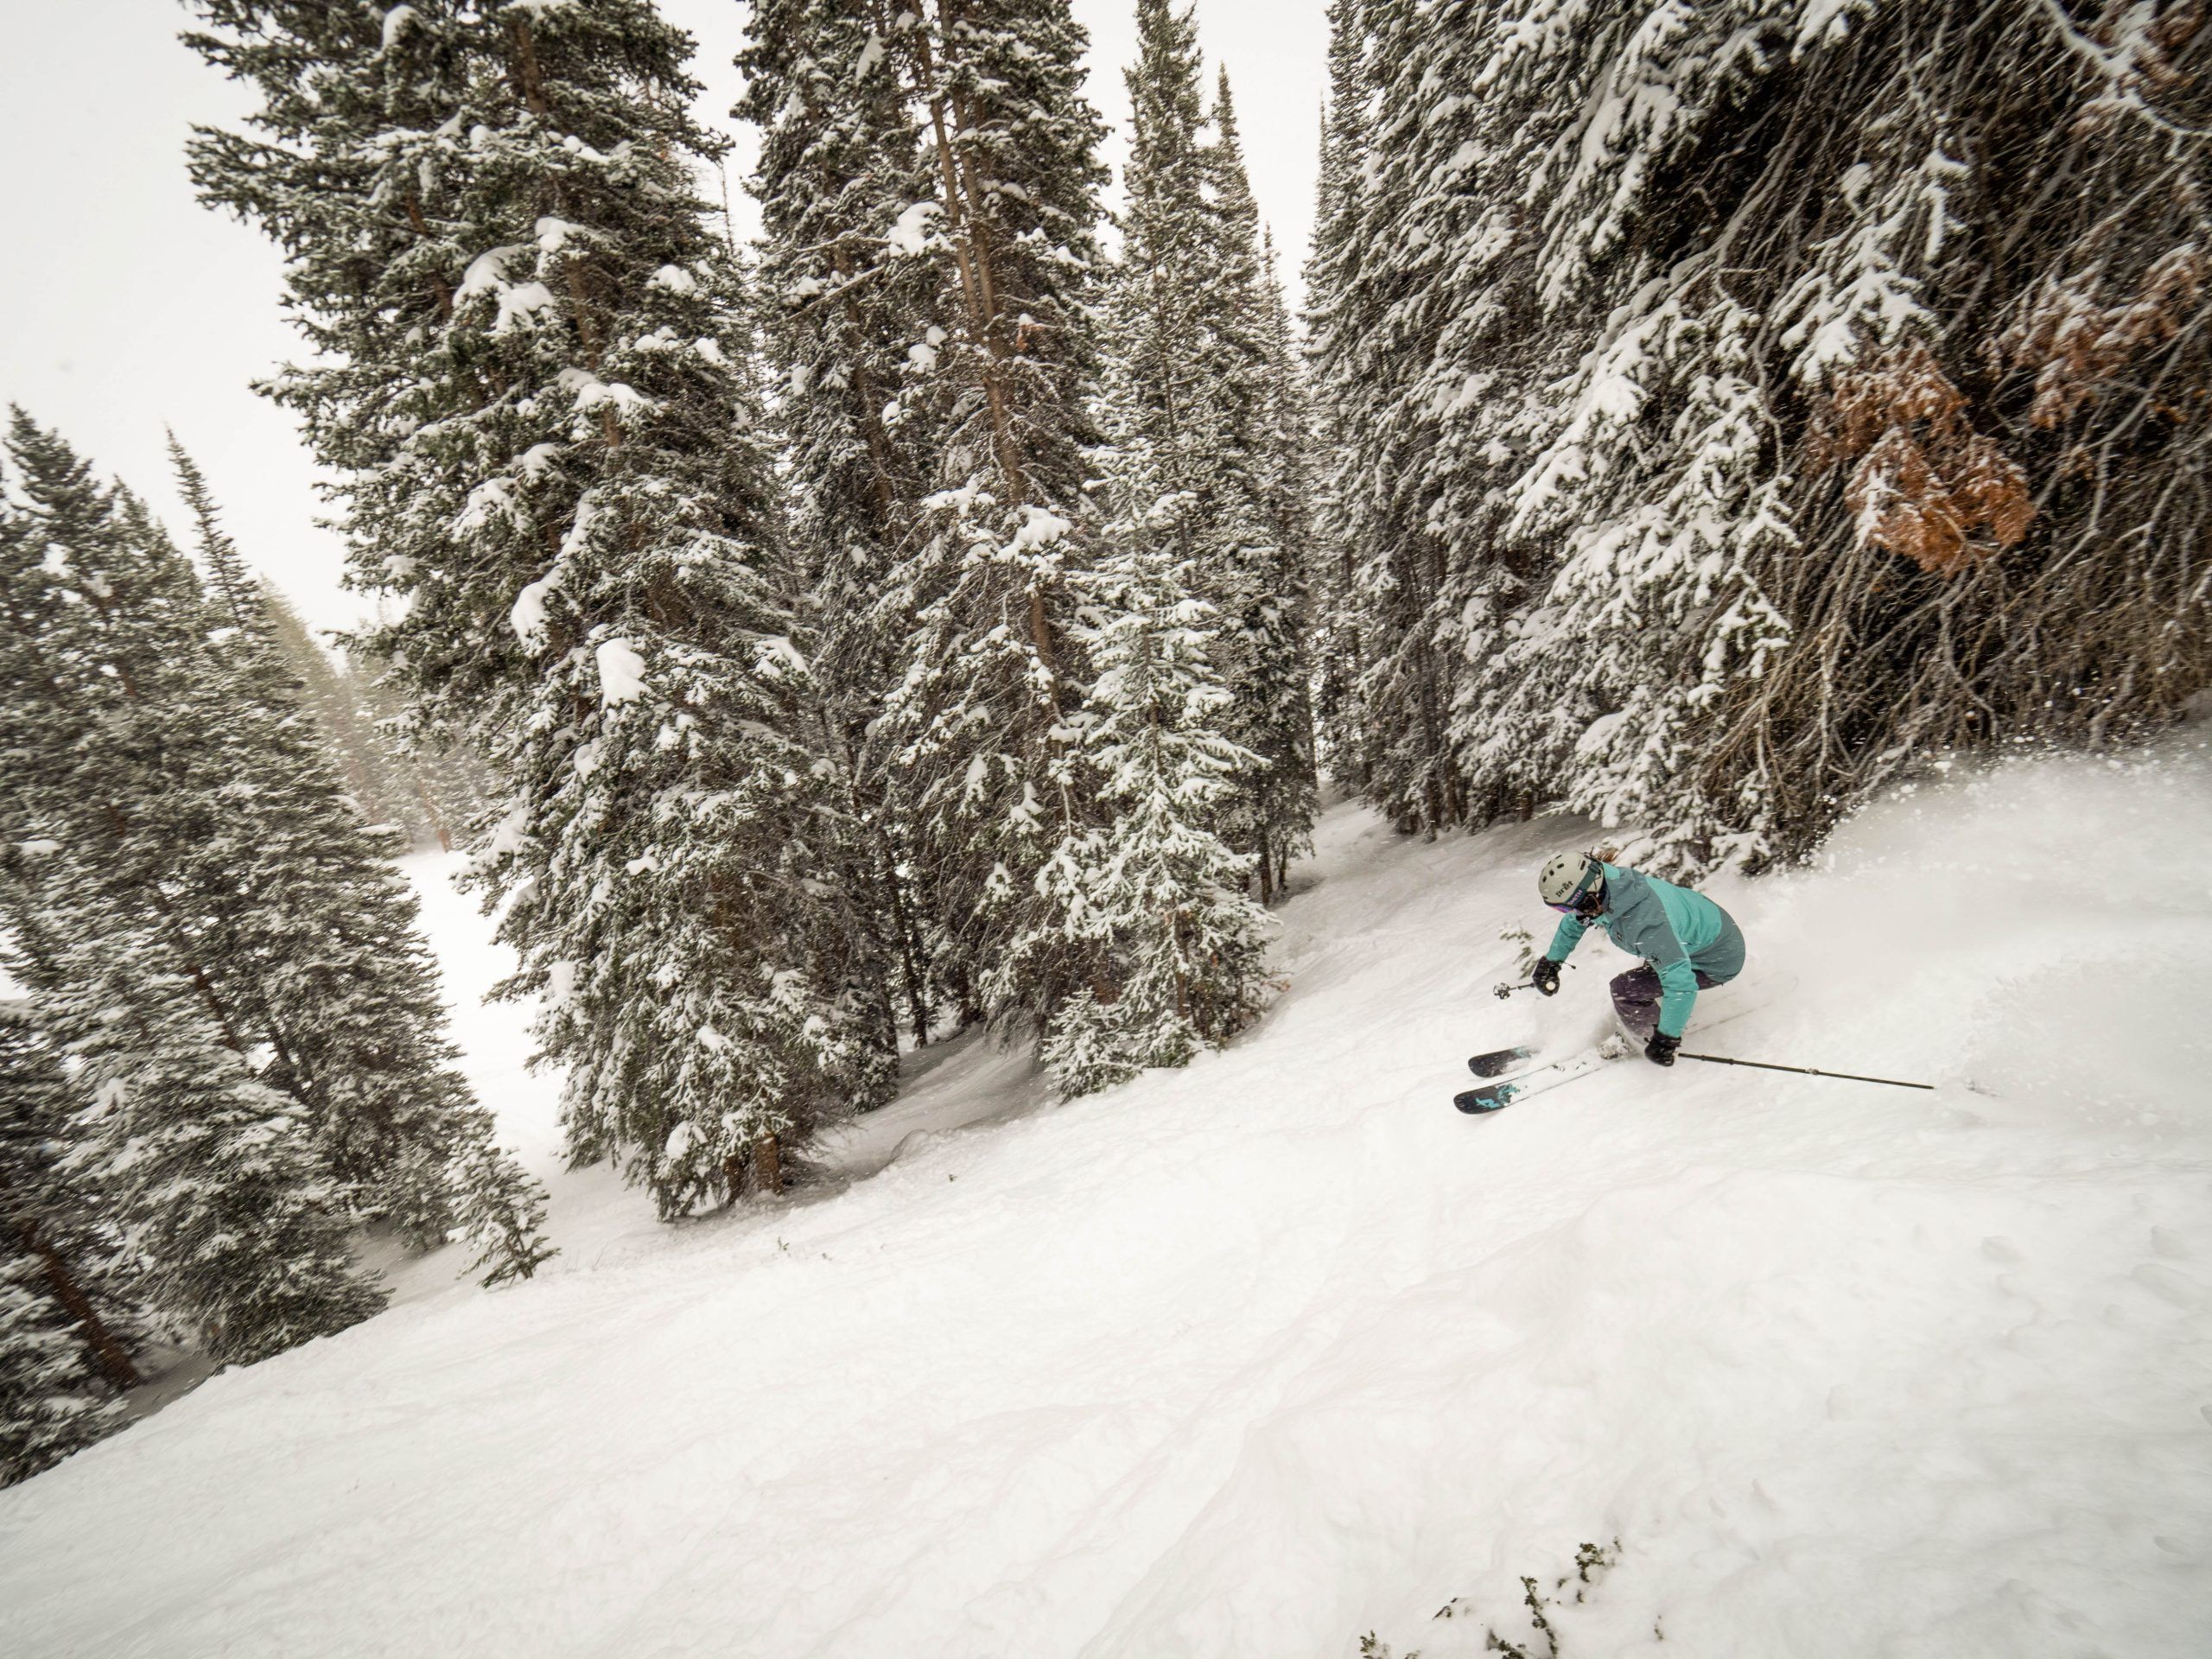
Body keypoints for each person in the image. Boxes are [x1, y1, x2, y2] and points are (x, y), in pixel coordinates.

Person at [1530, 851, 1745, 1066]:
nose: (1570, 912)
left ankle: (1646, 1038)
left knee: (1624, 990)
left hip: (1717, 959)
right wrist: (1552, 961)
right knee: (1652, 970)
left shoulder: (1647, 924)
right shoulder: (1611, 884)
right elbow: (1575, 921)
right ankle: (1654, 1019)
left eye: (1567, 906)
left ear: (1589, 894)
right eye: (1561, 908)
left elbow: (1681, 986)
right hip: (1704, 929)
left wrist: (1666, 1040)